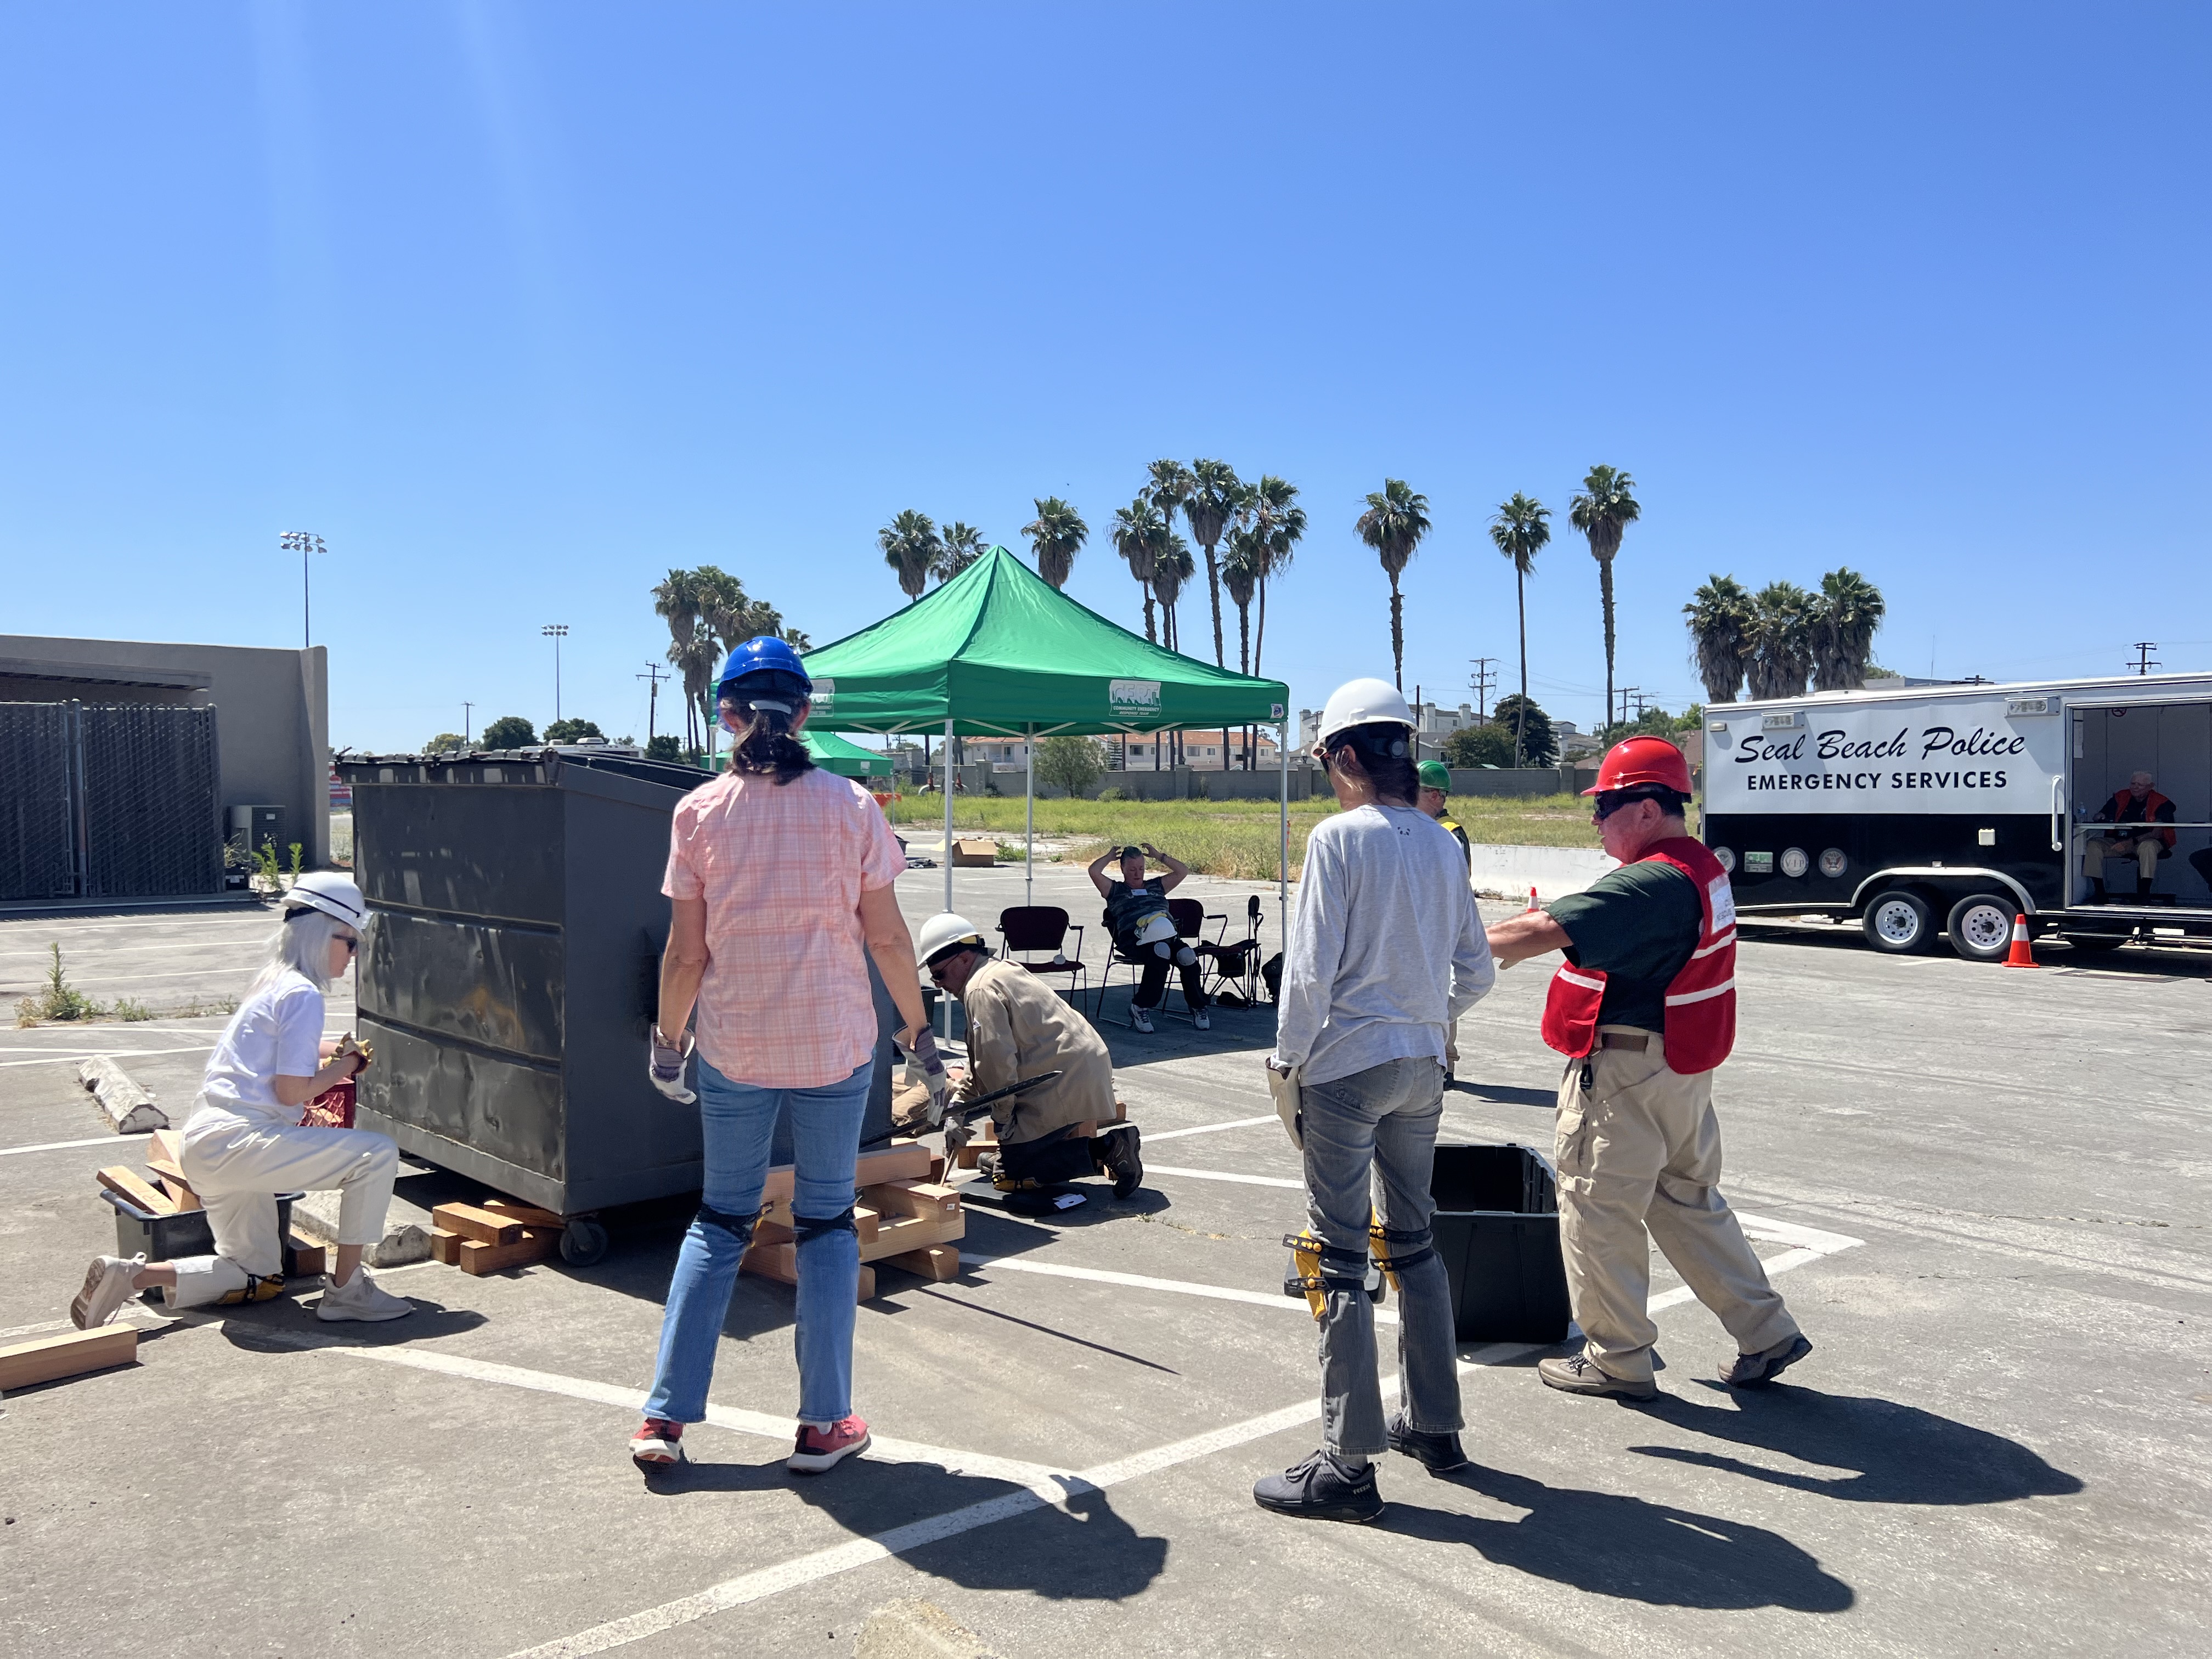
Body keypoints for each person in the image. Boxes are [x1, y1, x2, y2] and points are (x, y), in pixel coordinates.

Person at [630, 636, 935, 1474]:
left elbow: (685, 956)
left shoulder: (697, 813)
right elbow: (887, 936)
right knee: (828, 1223)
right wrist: (918, 1030)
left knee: (721, 1219)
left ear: (724, 714)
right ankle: (822, 1425)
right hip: (837, 1047)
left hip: (734, 1046)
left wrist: (667, 1044)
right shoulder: (852, 806)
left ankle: (664, 1420)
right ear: (804, 713)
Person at [1484, 735, 1808, 1402]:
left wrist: (1439, 942)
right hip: (1678, 1069)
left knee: (1597, 1208)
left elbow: (1533, 934)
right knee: (1685, 1201)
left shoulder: (1653, 881)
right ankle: (1765, 1330)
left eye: (1604, 805)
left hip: (1628, 1071)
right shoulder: (1697, 870)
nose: (1596, 819)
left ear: (1648, 809)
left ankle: (1617, 1359)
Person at [1253, 678, 1495, 1524]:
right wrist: (1424, 1013)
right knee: (1419, 1243)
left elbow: (1311, 971)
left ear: (1349, 755)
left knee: (1342, 1258)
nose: (1327, 775)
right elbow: (1479, 968)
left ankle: (1347, 1465)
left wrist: (1288, 1061)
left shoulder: (1338, 839)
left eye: (1326, 759)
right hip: (1422, 1064)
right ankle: (1436, 1426)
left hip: (1348, 1067)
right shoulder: (1439, 843)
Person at [70, 873, 415, 1330]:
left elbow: (275, 1053)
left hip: (207, 1144)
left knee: (254, 1272)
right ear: (319, 934)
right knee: (376, 1154)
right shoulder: (303, 994)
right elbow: (290, 1092)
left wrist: (335, 1051)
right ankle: (348, 1290)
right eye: (349, 943)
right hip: (245, 1140)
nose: (353, 956)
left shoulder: (271, 984)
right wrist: (346, 1067)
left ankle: (130, 1276)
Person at [914, 913, 1142, 1208]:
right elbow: (983, 1059)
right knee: (1009, 1160)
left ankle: (1109, 1150)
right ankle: (1017, 1154)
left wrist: (1004, 1120)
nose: (938, 983)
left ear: (962, 958)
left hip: (1062, 1082)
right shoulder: (998, 971)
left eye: (939, 975)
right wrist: (959, 1109)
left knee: (1016, 1173)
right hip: (1075, 1071)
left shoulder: (979, 990)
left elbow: (997, 1067)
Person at [1090, 842, 1209, 1032]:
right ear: (1122, 869)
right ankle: (1141, 1007)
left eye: (1141, 868)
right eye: (1132, 869)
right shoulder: (1115, 890)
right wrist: (1108, 858)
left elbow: (1182, 871)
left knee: (1187, 956)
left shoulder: (1157, 886)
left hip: (1167, 936)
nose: (1138, 873)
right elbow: (1094, 872)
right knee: (1161, 952)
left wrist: (1159, 856)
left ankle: (1198, 1005)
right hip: (1135, 940)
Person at [1416, 759, 1471, 1080]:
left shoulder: (1446, 832)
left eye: (1418, 793)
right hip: (1437, 922)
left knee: (1444, 988)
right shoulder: (1433, 829)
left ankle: (1445, 1060)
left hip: (1444, 923)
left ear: (1437, 796)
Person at [2083, 769, 2176, 900]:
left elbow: (2157, 832)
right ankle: (2100, 893)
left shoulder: (2162, 802)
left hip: (2145, 842)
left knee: (2148, 847)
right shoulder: (2121, 797)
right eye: (2133, 784)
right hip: (2118, 841)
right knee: (2093, 845)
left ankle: (2144, 896)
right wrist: (2099, 816)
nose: (2135, 787)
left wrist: (2131, 842)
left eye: (2140, 785)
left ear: (2150, 787)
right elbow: (2101, 814)